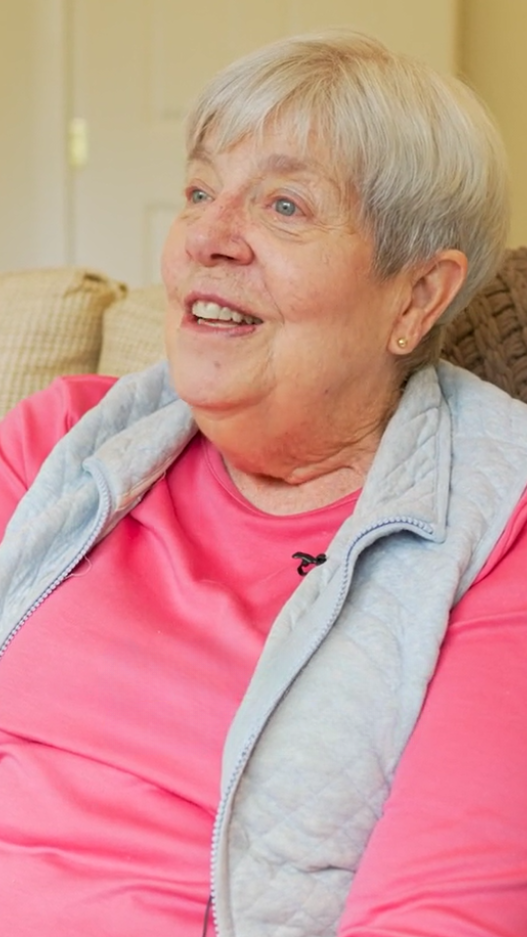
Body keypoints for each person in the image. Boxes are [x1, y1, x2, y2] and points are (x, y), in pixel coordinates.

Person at [0, 28, 526, 937]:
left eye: (284, 205)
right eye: (200, 191)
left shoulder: (492, 526)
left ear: (415, 297)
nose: (207, 235)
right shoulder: (63, 443)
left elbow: (437, 915)